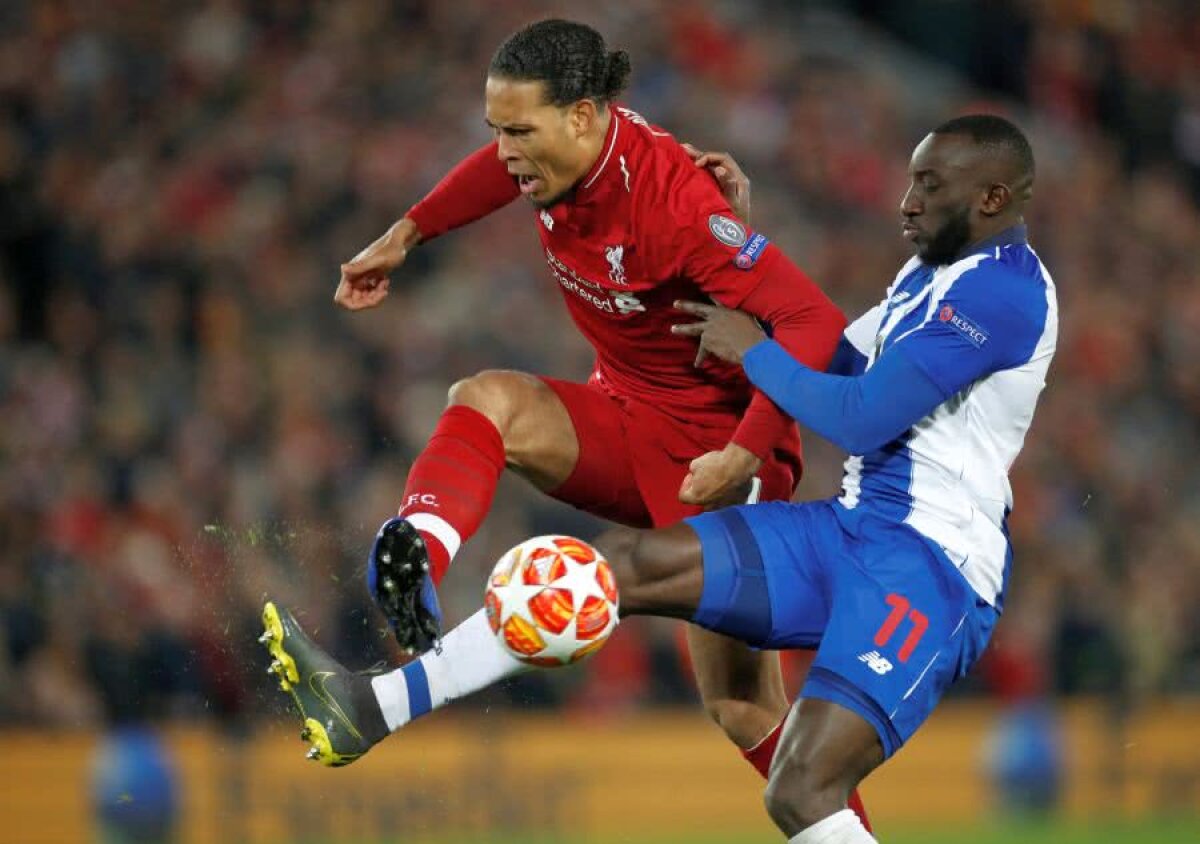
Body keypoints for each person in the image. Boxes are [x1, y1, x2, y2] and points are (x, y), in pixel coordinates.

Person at [263, 112, 1055, 842]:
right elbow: (832, 360)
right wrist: (739, 248)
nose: (907, 202)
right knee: (617, 569)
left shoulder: (1006, 294)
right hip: (848, 530)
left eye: (929, 185)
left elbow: (858, 416)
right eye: (911, 179)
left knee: (801, 789)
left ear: (991, 198)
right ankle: (372, 707)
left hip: (930, 567)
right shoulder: (928, 277)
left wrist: (758, 353)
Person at [263, 17, 873, 828]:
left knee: (741, 707)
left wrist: (741, 453)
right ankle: (421, 552)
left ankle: (854, 832)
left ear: (583, 116)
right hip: (623, 418)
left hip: (714, 462)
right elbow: (493, 172)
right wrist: (407, 233)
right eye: (497, 130)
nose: (507, 152)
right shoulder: (549, 164)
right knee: (487, 399)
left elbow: (814, 323)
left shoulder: (677, 200)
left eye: (521, 130)